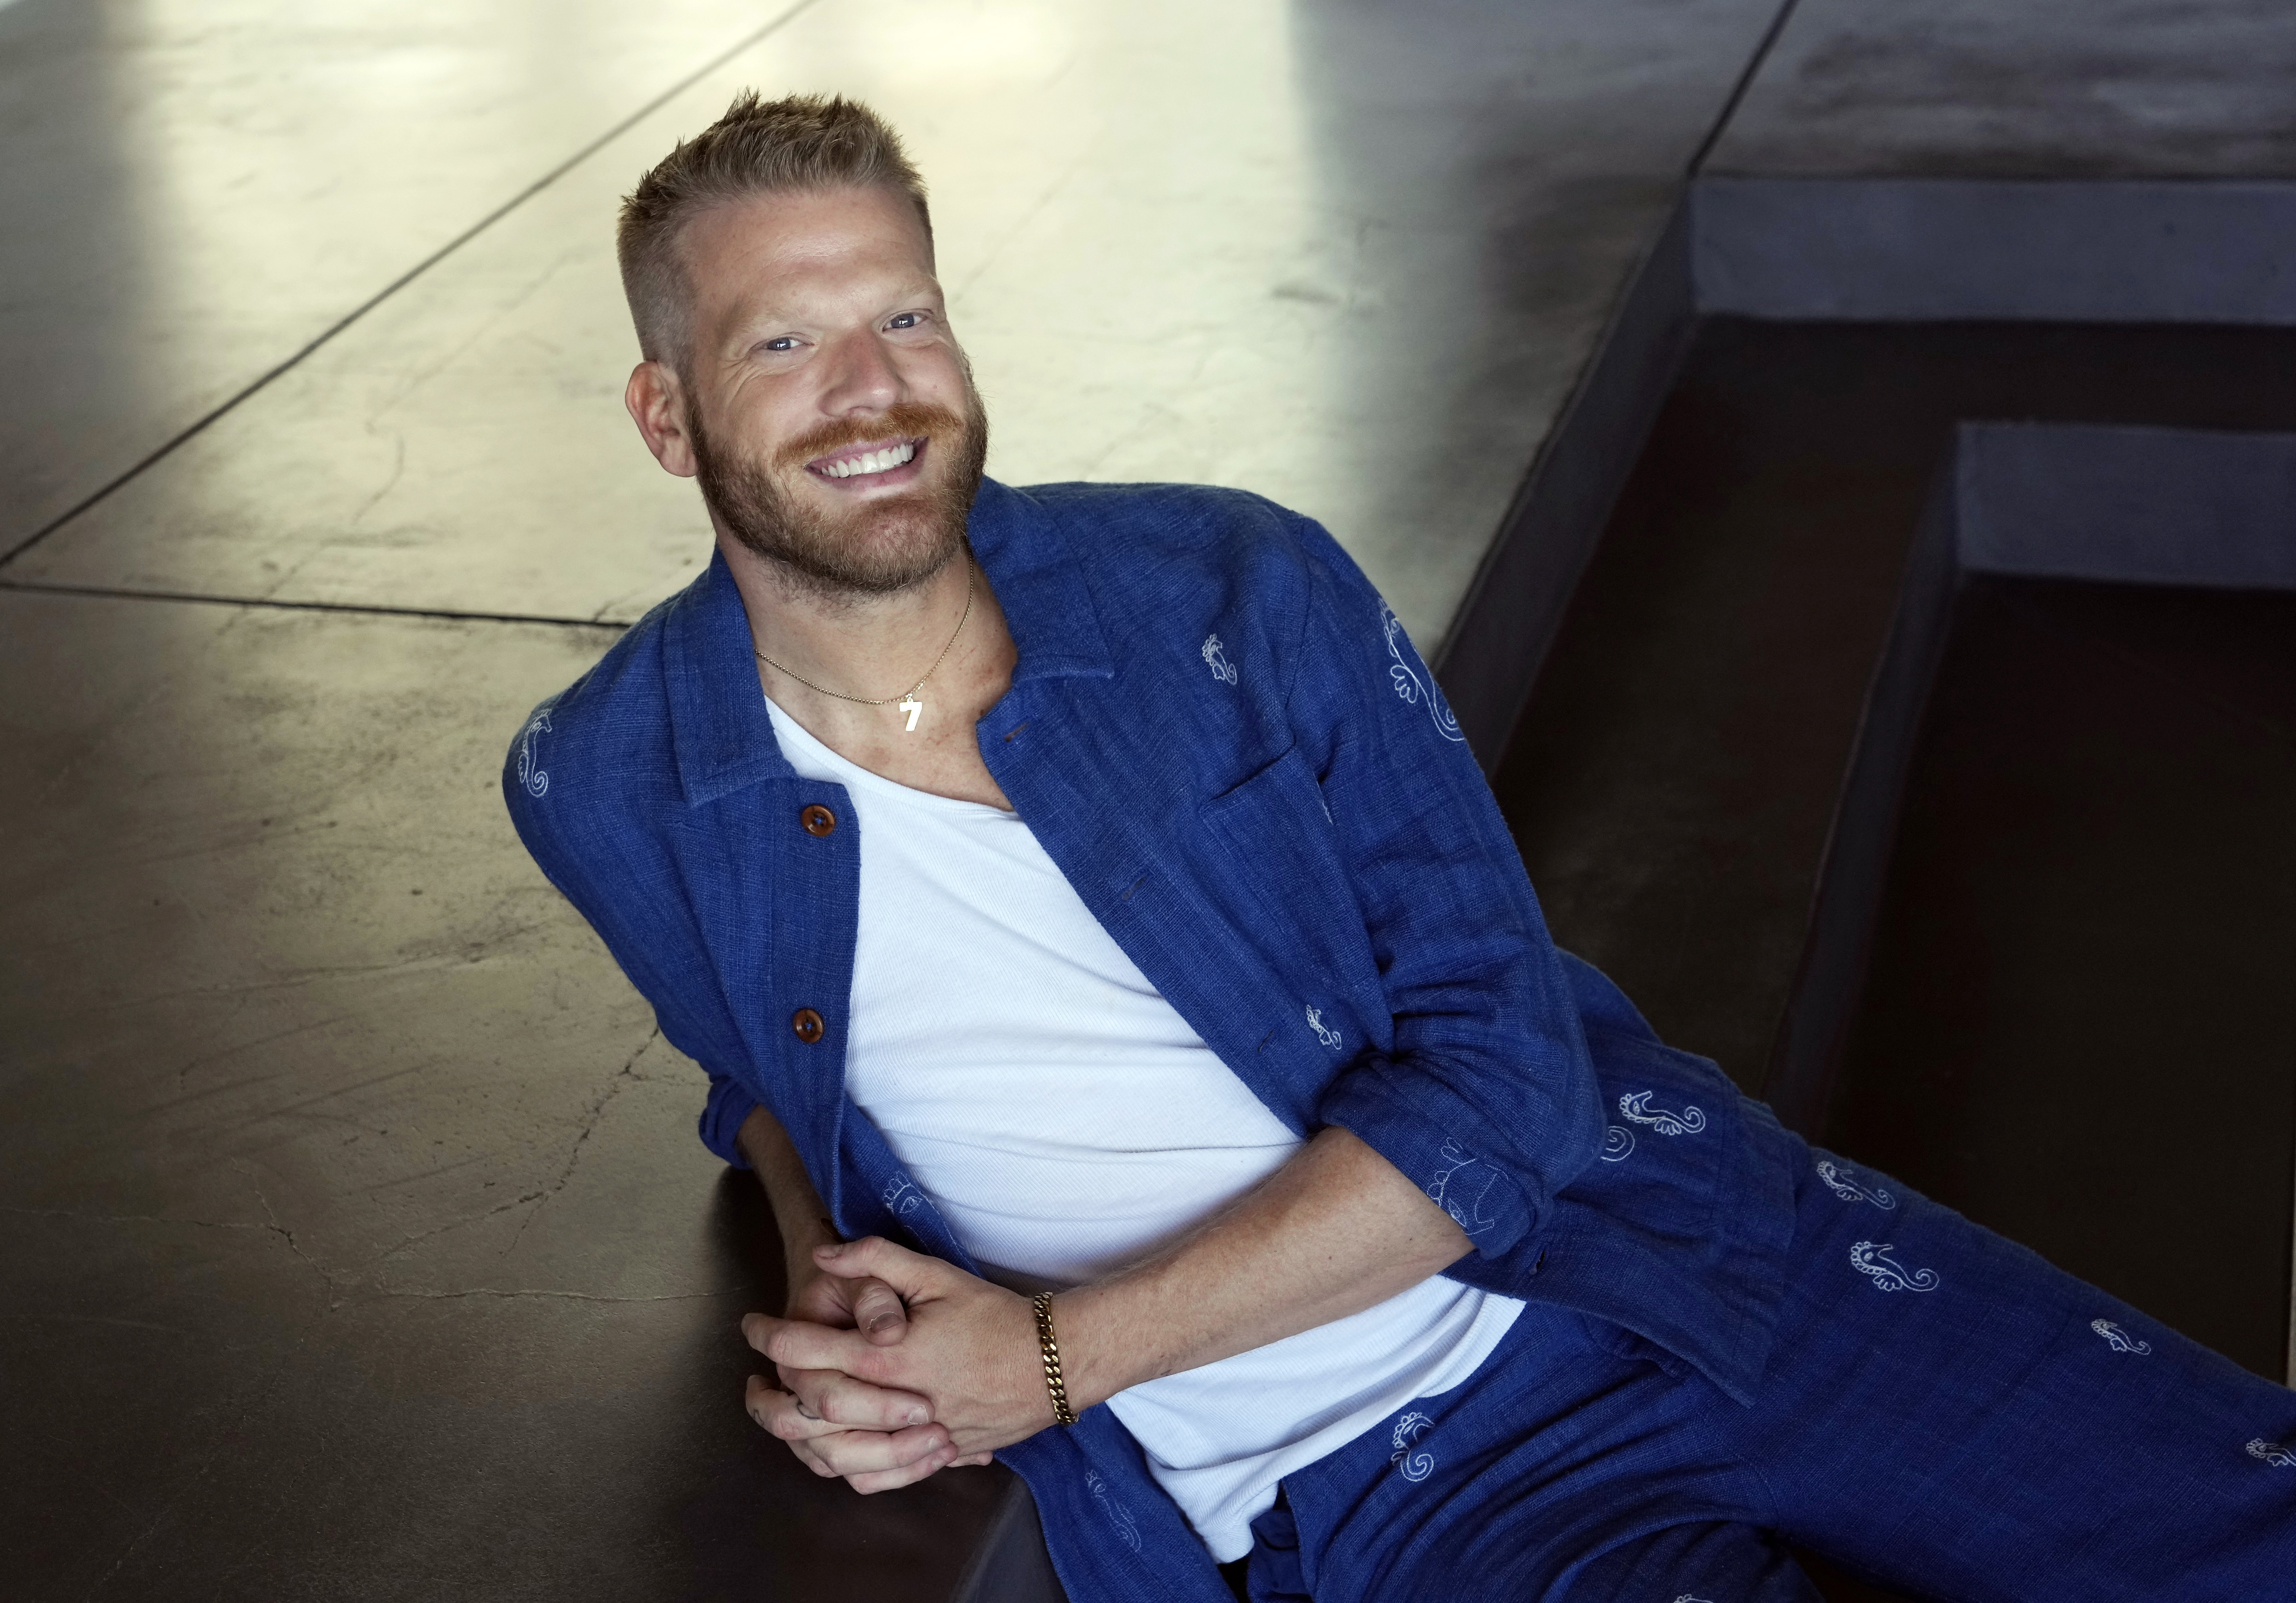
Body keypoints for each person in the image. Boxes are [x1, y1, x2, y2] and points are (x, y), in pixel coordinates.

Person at [503, 92, 2296, 1602]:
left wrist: (1038, 1363)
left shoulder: (1231, 590)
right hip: (1402, 1483)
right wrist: (850, 1315)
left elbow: (1508, 1087)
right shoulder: (608, 785)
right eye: (785, 343)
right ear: (667, 416)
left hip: (1672, 1245)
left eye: (906, 315)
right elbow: (748, 1069)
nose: (873, 389)